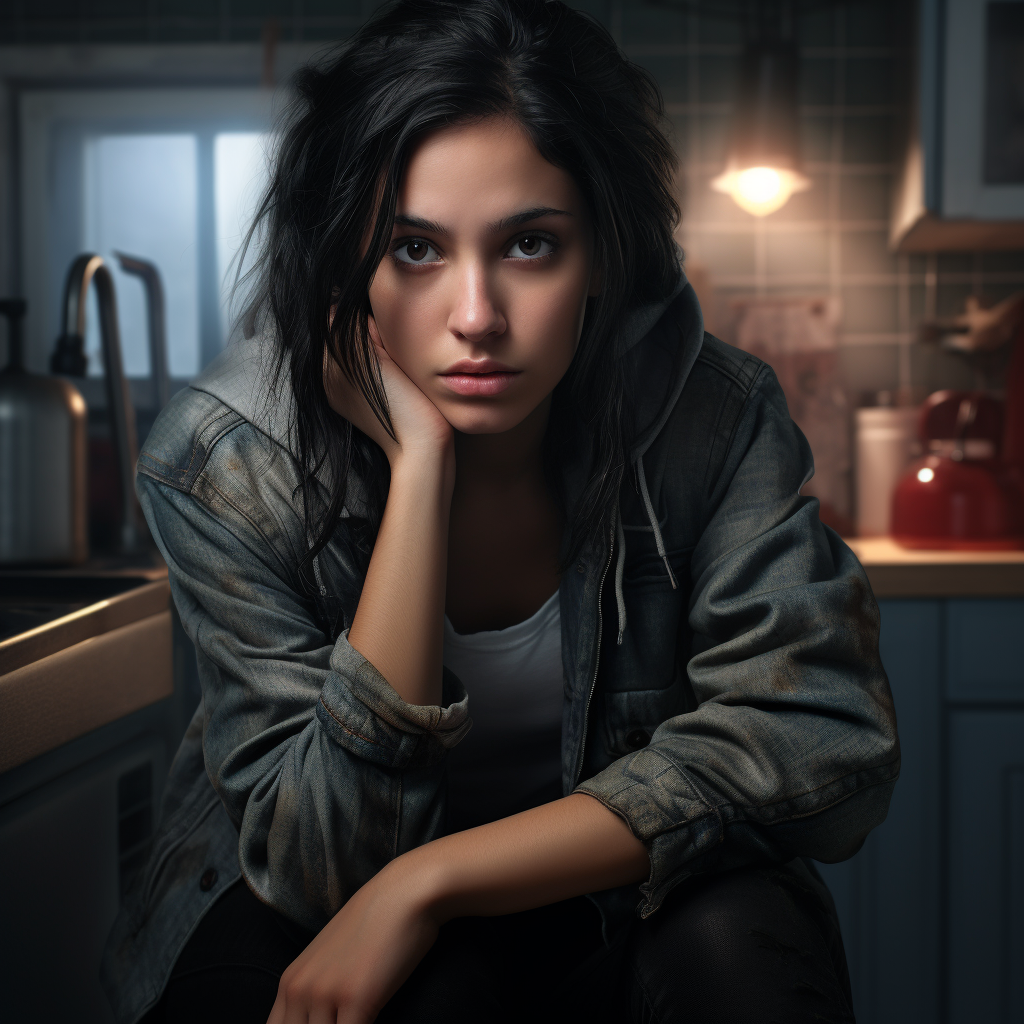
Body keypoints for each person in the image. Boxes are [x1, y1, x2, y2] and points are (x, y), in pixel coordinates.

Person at [102, 1, 899, 1021]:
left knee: (740, 946)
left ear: (603, 253)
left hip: (628, 896)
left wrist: (431, 880)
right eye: (416, 250)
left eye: (528, 245)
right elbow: (324, 866)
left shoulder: (711, 416)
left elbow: (823, 738)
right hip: (310, 896)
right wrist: (420, 466)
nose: (475, 318)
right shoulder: (230, 460)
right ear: (349, 261)